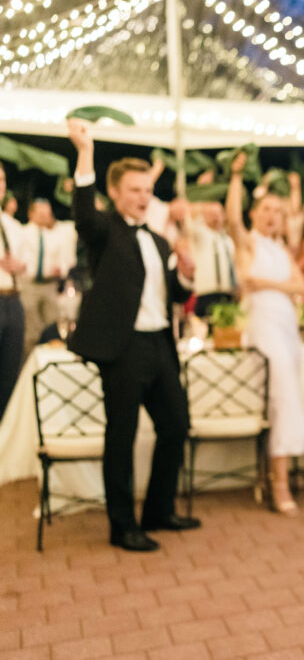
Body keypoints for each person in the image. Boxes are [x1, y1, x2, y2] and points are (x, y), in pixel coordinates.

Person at [66, 119, 200, 552]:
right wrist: (85, 150)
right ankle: (122, 525)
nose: (144, 197)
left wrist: (185, 274)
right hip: (122, 348)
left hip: (160, 344)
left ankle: (158, 510)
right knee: (121, 436)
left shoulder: (159, 242)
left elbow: (173, 294)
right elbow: (83, 211)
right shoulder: (104, 230)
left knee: (176, 424)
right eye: (136, 190)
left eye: (148, 190)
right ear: (117, 194)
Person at [225, 153, 304, 516]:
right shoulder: (247, 244)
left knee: (288, 394)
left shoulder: (280, 249)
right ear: (254, 213)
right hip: (263, 325)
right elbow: (231, 217)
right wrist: (235, 176)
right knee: (283, 398)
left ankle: (276, 472)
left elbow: (302, 285)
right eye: (265, 209)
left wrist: (263, 282)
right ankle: (280, 483)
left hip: (287, 328)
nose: (271, 215)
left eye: (277, 211)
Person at [21, 198, 77, 357]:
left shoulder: (56, 236)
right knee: (30, 329)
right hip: (29, 285)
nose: (44, 217)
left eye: (47, 214)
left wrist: (62, 269)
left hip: (50, 285)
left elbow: (65, 259)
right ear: (31, 214)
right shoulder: (23, 233)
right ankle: (28, 363)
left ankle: (50, 361)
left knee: (52, 325)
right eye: (40, 213)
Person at [0, 163, 26, 416]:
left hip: (13, 300)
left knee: (9, 374)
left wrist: (20, 266)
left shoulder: (12, 226)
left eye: (2, 179)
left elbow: (26, 261)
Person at [189, 201, 237, 318]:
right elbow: (191, 214)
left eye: (218, 213)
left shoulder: (228, 241)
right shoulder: (199, 234)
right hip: (205, 294)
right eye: (211, 214)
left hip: (227, 294)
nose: (215, 217)